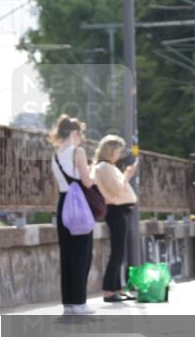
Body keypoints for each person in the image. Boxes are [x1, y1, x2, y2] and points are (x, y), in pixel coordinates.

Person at [48, 115, 96, 316]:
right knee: (82, 254)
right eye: (81, 133)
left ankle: (69, 303)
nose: (82, 138)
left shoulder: (56, 154)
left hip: (63, 205)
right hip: (78, 206)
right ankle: (80, 303)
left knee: (67, 255)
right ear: (75, 133)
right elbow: (87, 182)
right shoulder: (78, 151)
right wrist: (92, 171)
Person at [92, 135, 138, 303]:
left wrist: (125, 175)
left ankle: (115, 289)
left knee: (119, 252)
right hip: (116, 210)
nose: (119, 154)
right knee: (117, 252)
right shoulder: (104, 167)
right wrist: (128, 175)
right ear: (110, 151)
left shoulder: (108, 167)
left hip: (119, 210)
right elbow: (117, 190)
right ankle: (109, 291)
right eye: (118, 151)